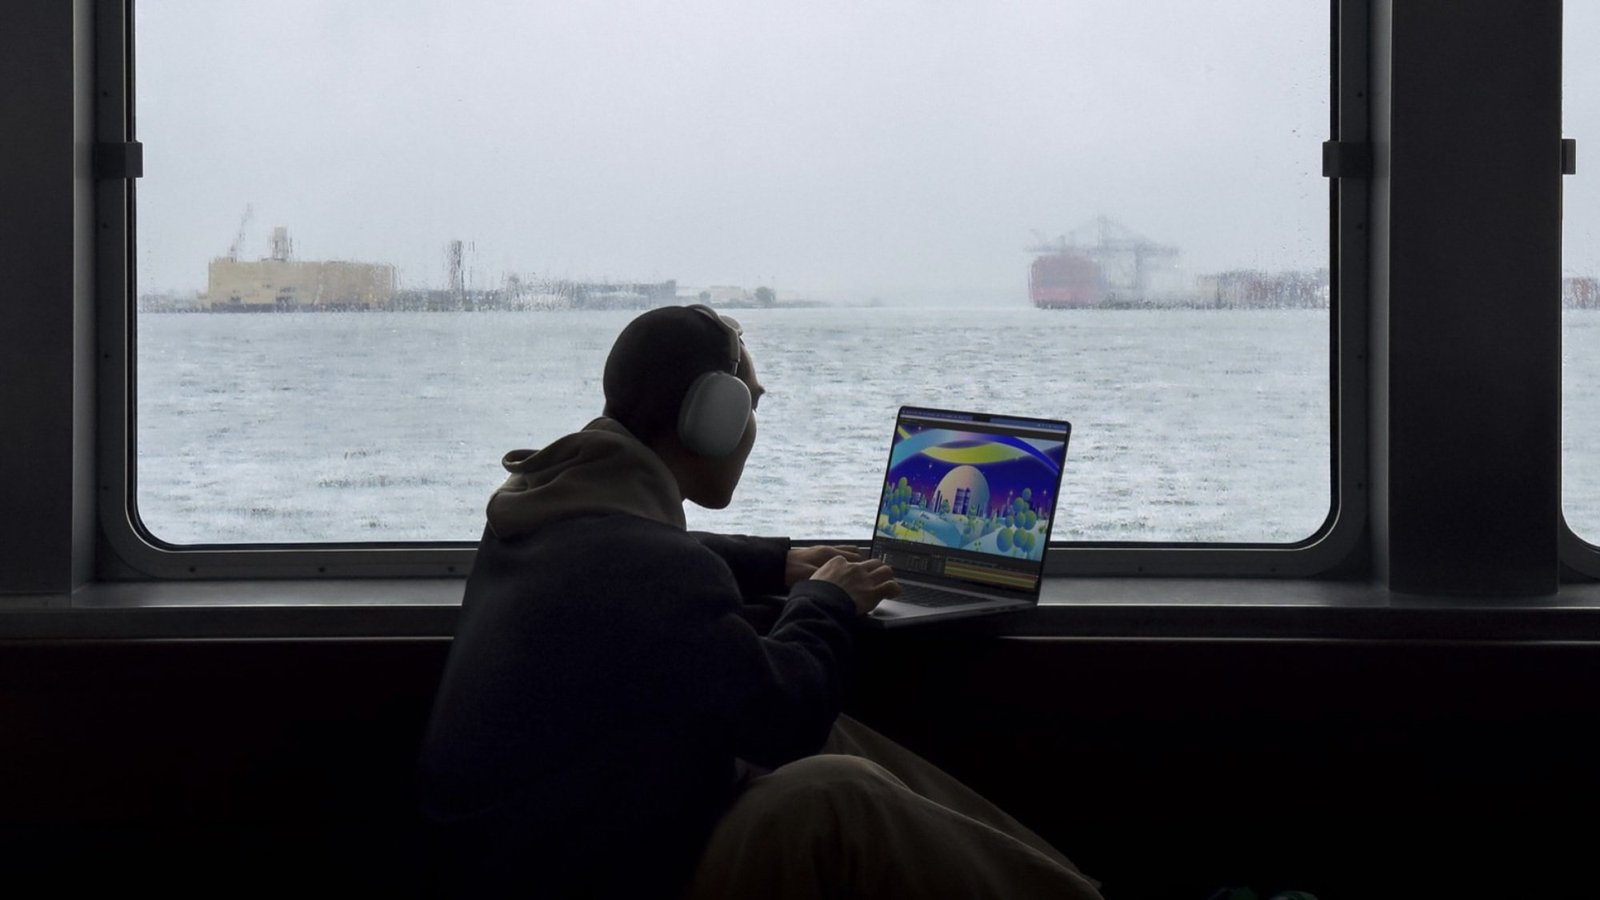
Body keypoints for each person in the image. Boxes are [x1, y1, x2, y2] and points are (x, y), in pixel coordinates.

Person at [415, 304, 1102, 899]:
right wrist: (826, 598)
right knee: (838, 794)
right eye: (751, 403)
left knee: (838, 739)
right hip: (594, 885)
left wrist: (775, 561)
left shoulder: (539, 513)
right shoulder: (652, 569)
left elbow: (640, 550)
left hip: (531, 862)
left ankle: (1068, 888)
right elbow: (788, 714)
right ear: (714, 418)